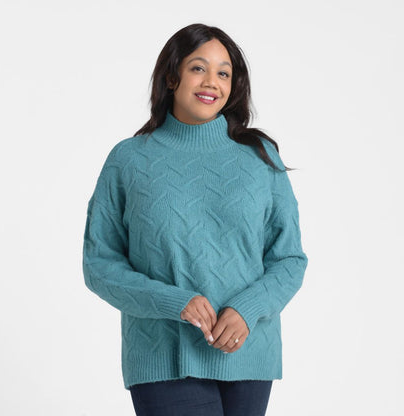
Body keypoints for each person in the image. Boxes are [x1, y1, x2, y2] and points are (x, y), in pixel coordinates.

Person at [82, 23, 308, 416]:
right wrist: (175, 301)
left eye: (224, 73)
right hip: (163, 356)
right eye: (198, 68)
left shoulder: (260, 156)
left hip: (249, 354)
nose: (211, 82)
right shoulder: (129, 160)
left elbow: (289, 259)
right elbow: (99, 265)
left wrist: (248, 308)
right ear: (172, 77)